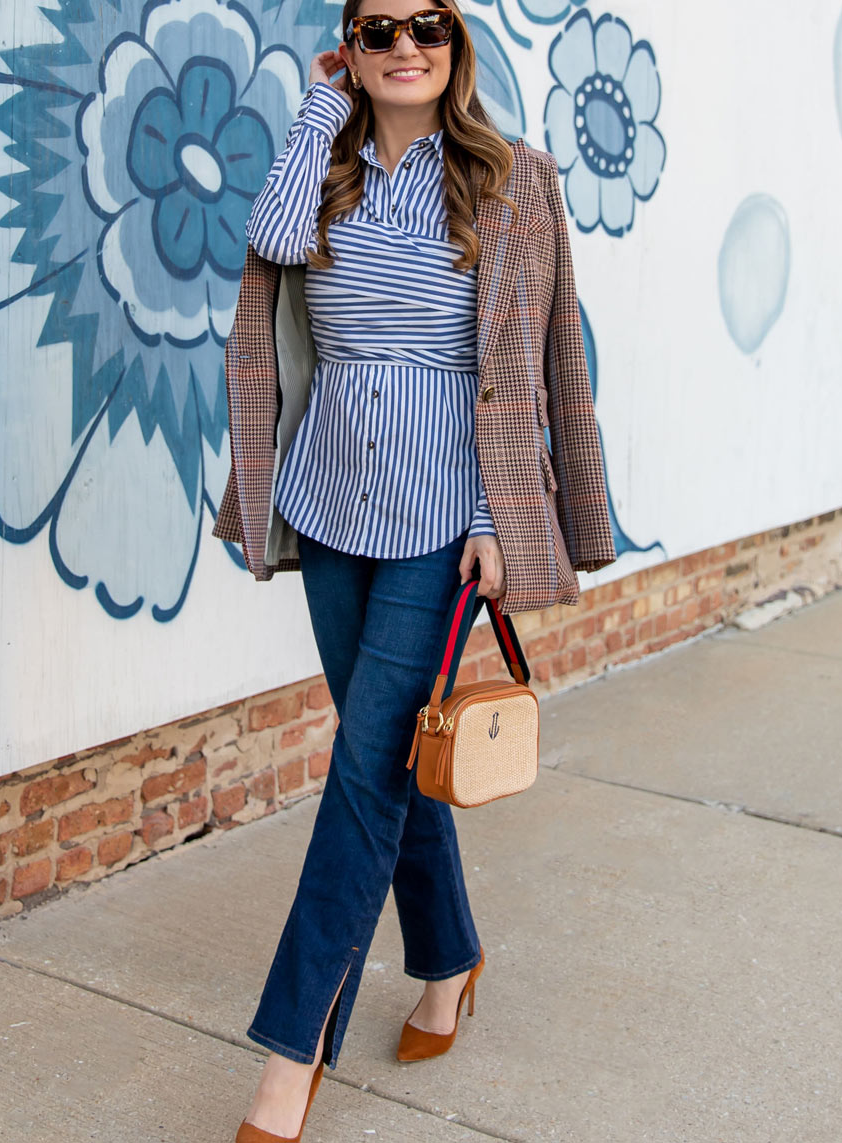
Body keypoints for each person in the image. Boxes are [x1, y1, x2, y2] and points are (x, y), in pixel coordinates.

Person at [211, 2, 615, 1138]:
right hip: (330, 497)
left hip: (446, 512)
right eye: (377, 27)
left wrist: (502, 512)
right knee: (387, 754)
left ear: (457, 44)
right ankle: (448, 961)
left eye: (427, 25)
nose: (404, 46)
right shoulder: (324, 174)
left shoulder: (510, 177)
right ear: (351, 44)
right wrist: (316, 107)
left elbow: (536, 352)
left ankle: (290, 1056)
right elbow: (275, 244)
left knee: (360, 770)